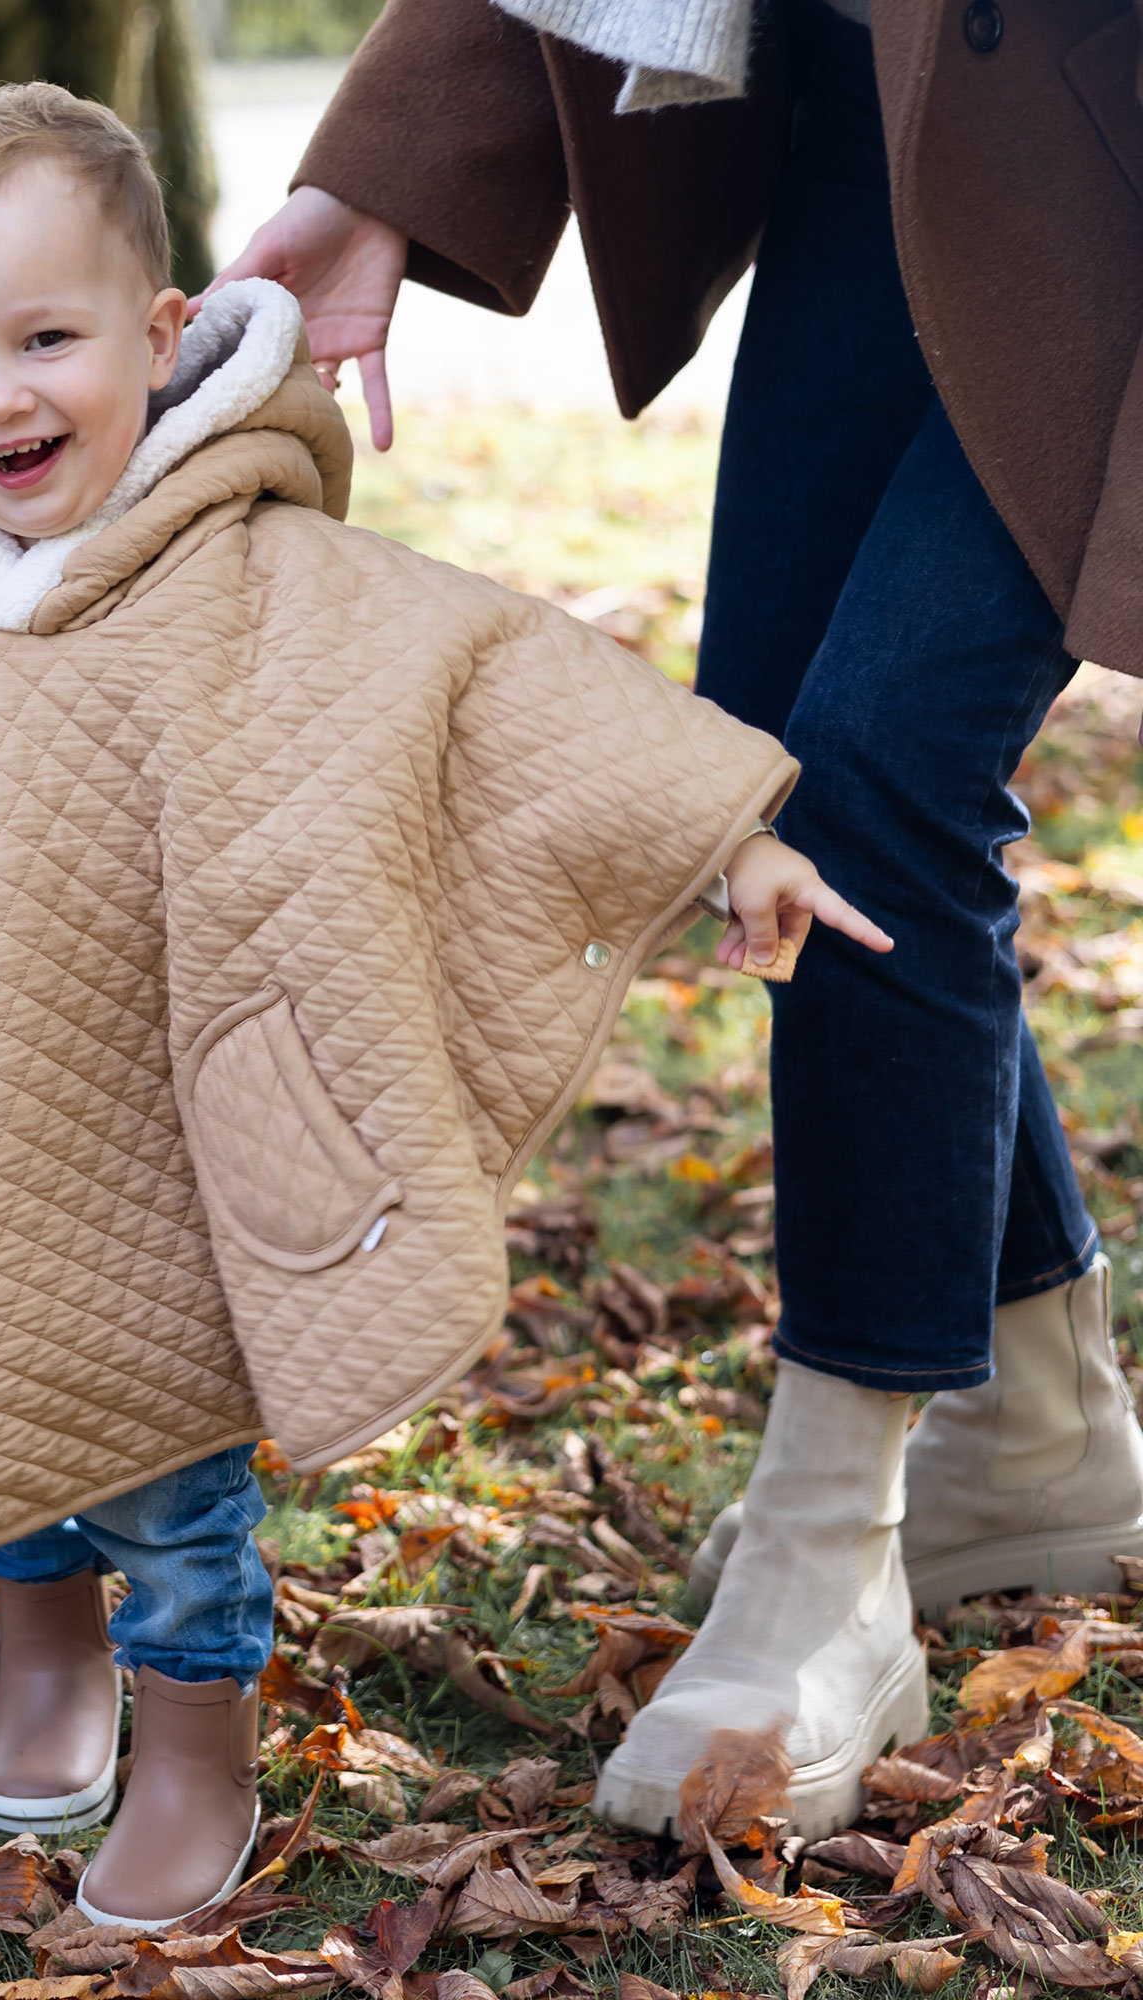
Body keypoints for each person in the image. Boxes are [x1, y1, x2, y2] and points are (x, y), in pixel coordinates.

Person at [0, 81, 891, 1917]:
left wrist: (729, 838)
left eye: (45, 341)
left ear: (161, 338)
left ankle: (189, 1747)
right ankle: (51, 1655)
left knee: (170, 1486)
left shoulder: (255, 563)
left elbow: (499, 679)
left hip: (166, 1130)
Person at [210, 0, 1143, 1838]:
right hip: (895, 120)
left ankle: (833, 1546)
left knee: (868, 773)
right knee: (777, 757)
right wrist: (384, 175)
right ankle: (1036, 1426)